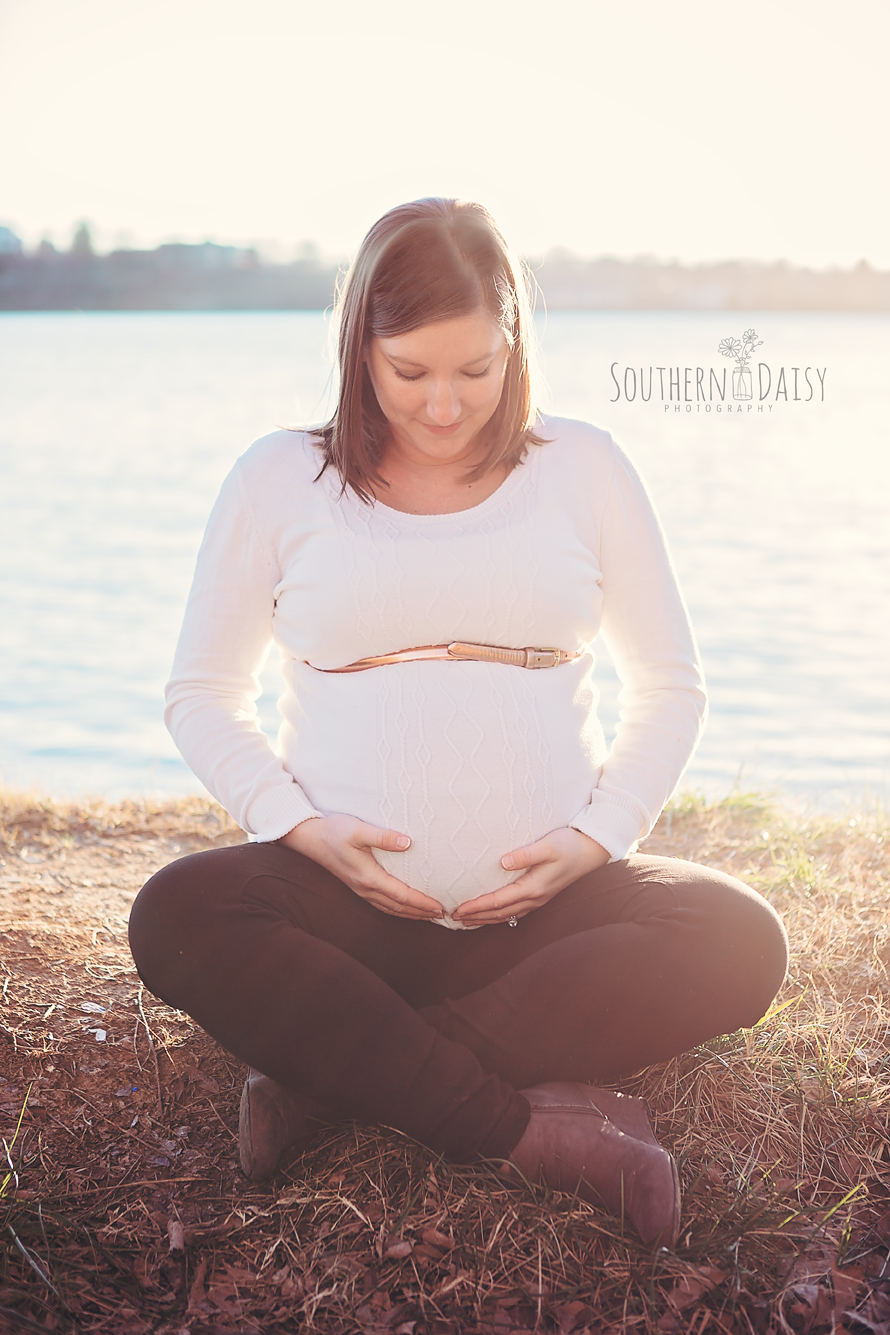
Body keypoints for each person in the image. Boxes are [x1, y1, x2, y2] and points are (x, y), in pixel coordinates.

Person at [128, 198, 788, 1249]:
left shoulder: (583, 467)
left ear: (514, 344)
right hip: (341, 921)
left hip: (542, 924)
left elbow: (669, 684)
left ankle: (334, 1080)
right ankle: (528, 1133)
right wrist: (299, 828)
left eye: (474, 372)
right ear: (360, 350)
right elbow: (200, 693)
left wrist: (593, 840)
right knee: (174, 911)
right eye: (410, 373)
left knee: (737, 939)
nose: (443, 406)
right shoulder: (277, 479)